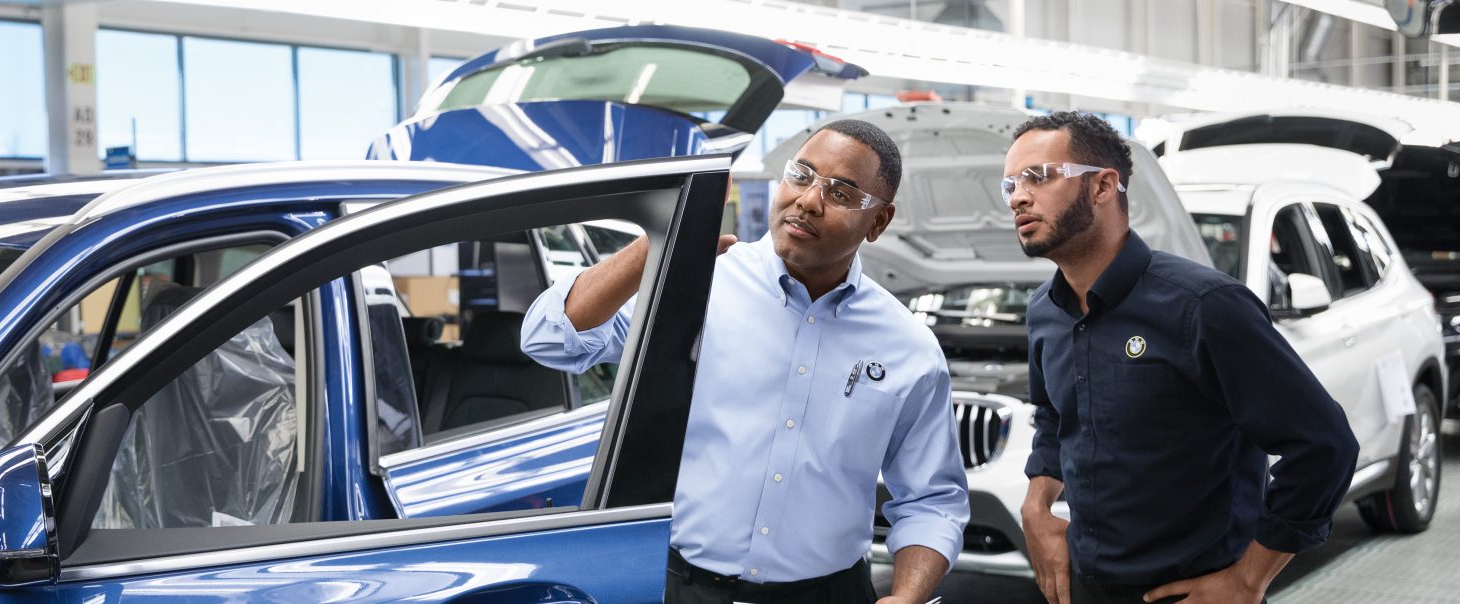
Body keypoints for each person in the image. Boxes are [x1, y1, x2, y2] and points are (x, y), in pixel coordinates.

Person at [521, 120, 969, 604]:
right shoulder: (699, 287)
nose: (809, 200)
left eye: (841, 193)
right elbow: (550, 339)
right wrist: (663, 244)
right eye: (801, 175)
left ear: (879, 222)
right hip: (686, 588)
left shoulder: (908, 346)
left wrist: (907, 595)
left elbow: (933, 501)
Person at [1004, 112, 1359, 604]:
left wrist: (1248, 578)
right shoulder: (1046, 311)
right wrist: (1037, 503)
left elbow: (1325, 445)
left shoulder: (1205, 308)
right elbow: (1053, 417)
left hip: (1190, 589)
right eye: (1011, 184)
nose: (1018, 196)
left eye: (1038, 177)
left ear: (1104, 186)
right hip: (1086, 586)